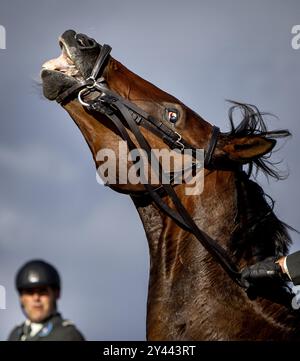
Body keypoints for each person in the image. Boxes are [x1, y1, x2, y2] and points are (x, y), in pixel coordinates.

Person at [7, 260, 85, 341]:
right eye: (29, 292)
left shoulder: (68, 336)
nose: (36, 298)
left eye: (43, 291)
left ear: (56, 294)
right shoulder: (15, 335)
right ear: (21, 297)